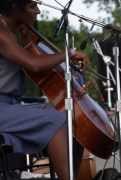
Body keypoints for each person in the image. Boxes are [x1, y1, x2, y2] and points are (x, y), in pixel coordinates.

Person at [0, 0, 87, 179]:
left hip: (9, 106)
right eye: (32, 6)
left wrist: (27, 41)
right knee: (54, 119)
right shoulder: (1, 33)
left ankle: (71, 175)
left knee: (73, 120)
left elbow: (39, 64)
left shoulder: (12, 33)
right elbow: (34, 65)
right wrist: (68, 54)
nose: (38, 11)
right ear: (14, 6)